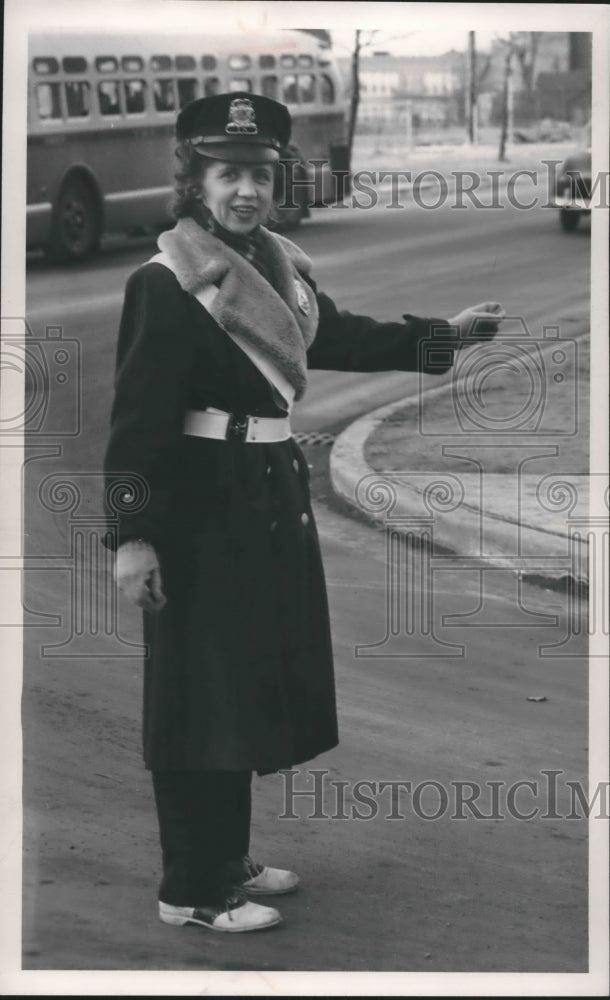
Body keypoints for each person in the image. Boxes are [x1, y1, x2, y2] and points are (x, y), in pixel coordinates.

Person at [103, 92, 505, 934]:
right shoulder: (167, 281)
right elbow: (137, 424)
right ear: (195, 182)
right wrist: (133, 534)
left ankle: (226, 858)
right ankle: (193, 890)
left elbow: (339, 338)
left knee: (243, 687)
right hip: (200, 511)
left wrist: (447, 338)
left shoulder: (271, 264)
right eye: (226, 174)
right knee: (196, 698)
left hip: (267, 502)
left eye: (257, 173)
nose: (245, 189)